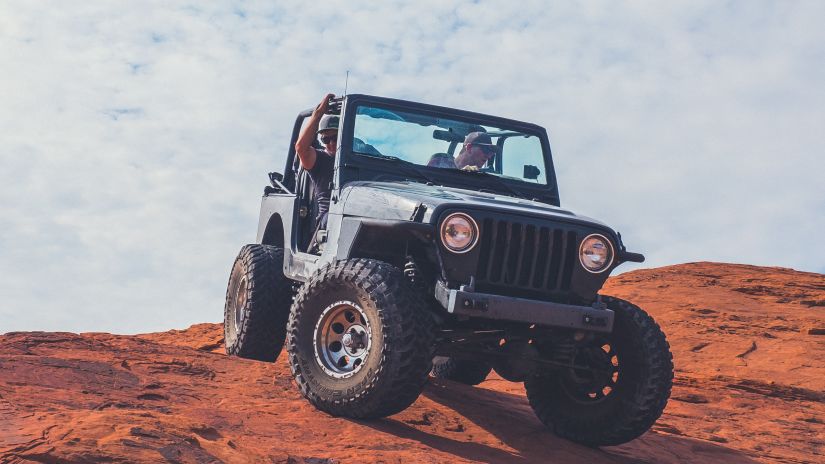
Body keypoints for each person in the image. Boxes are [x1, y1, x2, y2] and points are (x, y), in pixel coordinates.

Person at [294, 93, 338, 233]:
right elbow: (301, 148)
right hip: (329, 218)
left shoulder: (359, 158)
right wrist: (318, 114)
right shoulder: (319, 160)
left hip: (360, 211)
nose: (331, 143)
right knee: (340, 220)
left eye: (335, 138)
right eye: (326, 140)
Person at [426, 131, 497, 171]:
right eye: (485, 150)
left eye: (491, 152)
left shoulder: (481, 177)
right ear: (469, 148)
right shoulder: (439, 163)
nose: (489, 156)